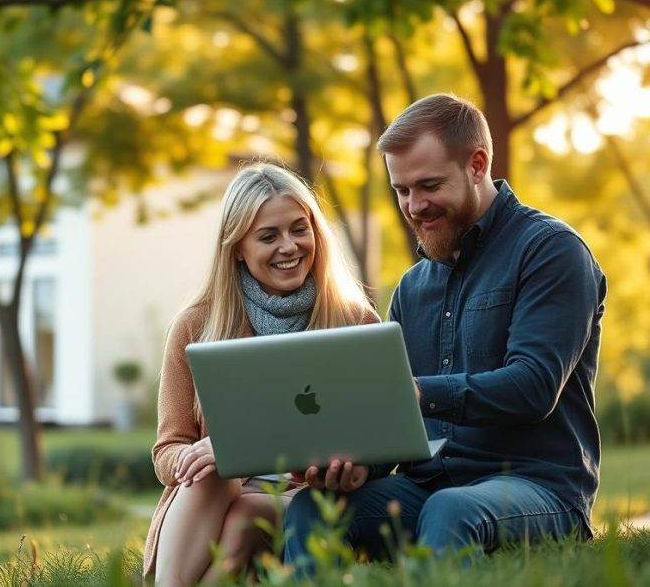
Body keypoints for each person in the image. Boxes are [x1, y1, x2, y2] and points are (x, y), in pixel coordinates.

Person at [284, 93, 607, 572]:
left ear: (477, 165)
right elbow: (397, 426)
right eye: (401, 190)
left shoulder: (551, 252)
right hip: (429, 487)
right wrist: (352, 467)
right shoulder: (413, 288)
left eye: (428, 185)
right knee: (312, 508)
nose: (414, 206)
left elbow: (534, 386)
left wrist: (418, 392)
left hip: (538, 487)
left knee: (450, 508)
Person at [143, 162, 379, 586]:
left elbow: (377, 440)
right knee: (216, 472)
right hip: (207, 507)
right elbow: (167, 451)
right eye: (268, 236)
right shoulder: (197, 326)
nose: (289, 246)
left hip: (306, 501)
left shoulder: (355, 322)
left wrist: (243, 446)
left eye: (298, 229)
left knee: (248, 510)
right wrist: (211, 454)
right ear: (237, 247)